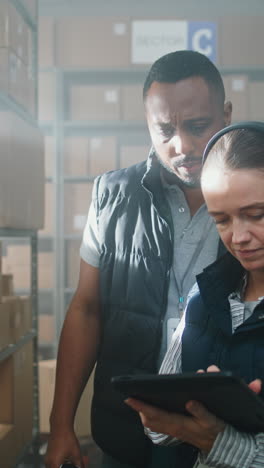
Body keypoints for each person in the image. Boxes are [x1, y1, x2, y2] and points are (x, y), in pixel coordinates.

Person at [44, 50, 232, 468]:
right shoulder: (111, 196)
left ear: (226, 115)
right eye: (164, 130)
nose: (180, 145)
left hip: (225, 433)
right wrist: (61, 426)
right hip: (126, 430)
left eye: (198, 126)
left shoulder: (254, 197)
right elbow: (86, 310)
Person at [126, 121, 264, 468]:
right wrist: (173, 412)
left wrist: (216, 439)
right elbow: (159, 432)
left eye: (256, 215)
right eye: (222, 220)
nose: (238, 237)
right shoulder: (203, 298)